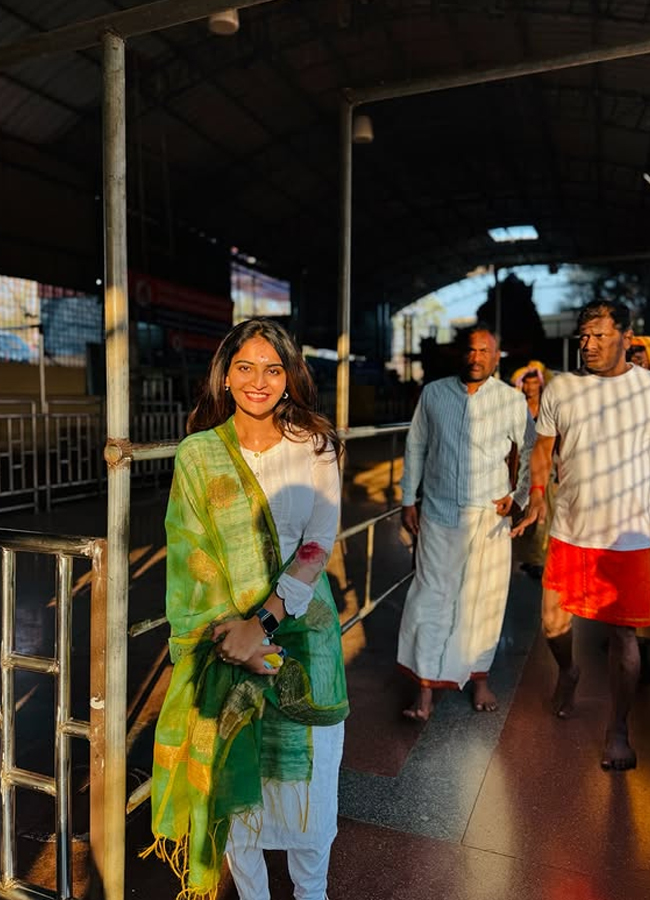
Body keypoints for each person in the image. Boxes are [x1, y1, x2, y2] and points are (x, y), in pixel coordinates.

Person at [144, 318, 349, 900]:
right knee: (240, 805)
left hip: (302, 642)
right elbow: (190, 564)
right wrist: (228, 639)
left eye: (273, 369)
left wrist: (259, 628)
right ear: (225, 377)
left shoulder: (317, 446)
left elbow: (316, 545)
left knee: (310, 809)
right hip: (224, 644)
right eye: (245, 367)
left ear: (289, 379)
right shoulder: (198, 455)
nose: (258, 381)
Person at [513, 299, 650, 771]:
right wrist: (537, 495)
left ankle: (617, 729)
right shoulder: (563, 388)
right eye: (583, 336)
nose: (587, 345)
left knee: (623, 637)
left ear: (627, 337)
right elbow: (542, 449)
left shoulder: (648, 389)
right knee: (552, 622)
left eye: (598, 336)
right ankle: (569, 671)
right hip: (571, 529)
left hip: (630, 537)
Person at [397, 325, 536, 721]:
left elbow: (530, 449)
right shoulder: (434, 394)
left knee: (483, 602)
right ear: (462, 355)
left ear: (496, 358)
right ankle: (423, 690)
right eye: (470, 350)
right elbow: (417, 446)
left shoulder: (510, 401)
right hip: (438, 513)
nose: (476, 357)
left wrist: (519, 496)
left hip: (488, 517)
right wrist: (409, 498)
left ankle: (479, 679)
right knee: (429, 596)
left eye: (484, 351)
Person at [510, 362, 554, 579]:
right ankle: (528, 556)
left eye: (535, 382)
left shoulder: (547, 405)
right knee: (523, 510)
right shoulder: (517, 406)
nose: (530, 387)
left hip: (545, 464)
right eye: (527, 383)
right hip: (520, 463)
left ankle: (540, 558)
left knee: (544, 511)